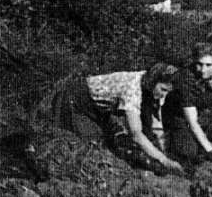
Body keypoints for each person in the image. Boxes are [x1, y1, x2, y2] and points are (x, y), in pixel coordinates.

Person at [48, 63, 183, 173]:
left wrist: (162, 153)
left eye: (167, 91)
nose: (163, 95)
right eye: (163, 90)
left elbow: (153, 121)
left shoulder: (148, 82)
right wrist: (163, 160)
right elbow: (136, 134)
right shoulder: (132, 91)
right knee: (88, 146)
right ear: (153, 82)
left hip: (99, 107)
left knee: (108, 141)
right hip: (76, 98)